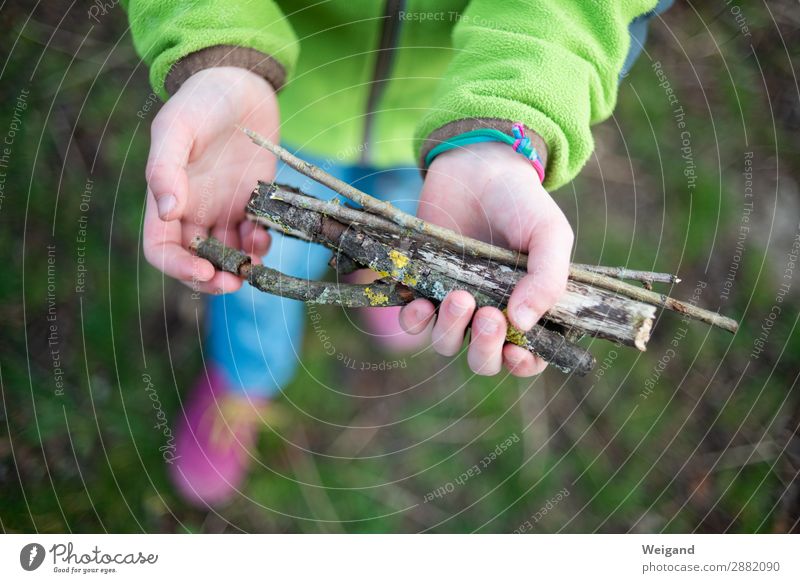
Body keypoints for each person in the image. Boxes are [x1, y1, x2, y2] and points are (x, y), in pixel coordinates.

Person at [123, 0, 673, 506]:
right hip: (286, 107)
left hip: (450, 115)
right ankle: (246, 382)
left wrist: (505, 120)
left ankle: (382, 280)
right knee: (254, 266)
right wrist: (221, 52)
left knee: (411, 222)